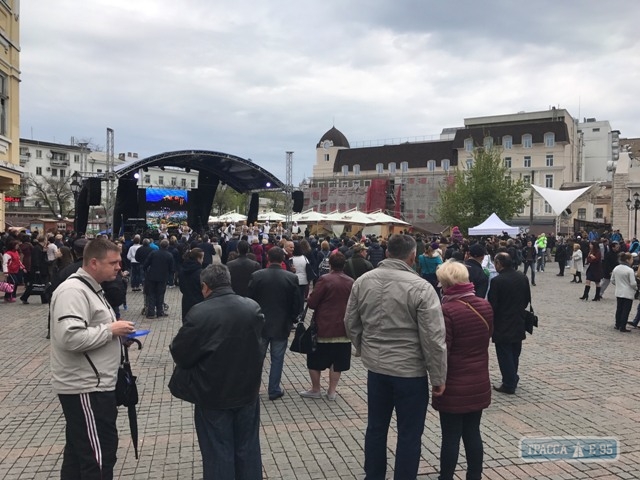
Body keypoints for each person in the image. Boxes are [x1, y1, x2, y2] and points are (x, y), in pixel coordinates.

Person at [344, 234, 447, 480]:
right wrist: (438, 376)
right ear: (412, 257)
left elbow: (350, 321)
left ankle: (374, 475)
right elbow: (433, 337)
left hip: (377, 369)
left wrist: (364, 347)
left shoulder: (363, 282)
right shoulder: (422, 287)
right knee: (409, 433)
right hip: (410, 372)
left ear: (387, 252)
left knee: (376, 427)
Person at [50, 237, 136, 480]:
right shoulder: (73, 291)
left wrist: (116, 337)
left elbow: (90, 331)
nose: (119, 266)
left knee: (80, 455)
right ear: (94, 263)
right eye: (114, 262)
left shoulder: (91, 288)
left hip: (94, 384)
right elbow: (70, 337)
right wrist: (111, 331)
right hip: (86, 386)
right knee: (98, 457)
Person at [169, 264, 265, 480]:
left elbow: (181, 354)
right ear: (228, 281)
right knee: (248, 449)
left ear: (205, 287)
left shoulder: (199, 312)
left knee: (218, 452)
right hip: (247, 391)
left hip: (212, 393)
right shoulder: (252, 307)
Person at [433, 260, 493, 480]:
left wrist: (437, 380)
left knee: (450, 436)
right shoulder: (484, 305)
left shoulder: (446, 310)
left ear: (446, 284)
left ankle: (446, 477)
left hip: (454, 381)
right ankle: (474, 475)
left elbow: (443, 350)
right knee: (472, 432)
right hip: (479, 378)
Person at [248, 247, 302, 400]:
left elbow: (249, 299)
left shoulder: (257, 276)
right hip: (281, 324)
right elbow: (297, 303)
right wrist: (292, 319)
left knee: (257, 359)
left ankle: (253, 389)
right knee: (277, 359)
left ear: (268, 258)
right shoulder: (291, 278)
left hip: (259, 324)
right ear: (282, 259)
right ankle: (273, 389)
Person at [299, 252, 354, 401]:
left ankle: (315, 389)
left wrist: (310, 296)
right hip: (343, 328)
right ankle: (331, 391)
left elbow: (312, 303)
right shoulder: (351, 282)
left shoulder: (324, 279)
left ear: (329, 264)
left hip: (323, 327)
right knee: (337, 362)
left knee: (314, 359)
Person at [488, 253, 531, 395]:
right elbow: (527, 299)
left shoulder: (497, 281)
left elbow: (492, 305)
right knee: (514, 352)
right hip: (519, 319)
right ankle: (513, 377)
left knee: (504, 353)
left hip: (502, 322)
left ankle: (509, 382)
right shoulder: (522, 277)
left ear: (499, 263)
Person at [143, 239, 174, 318]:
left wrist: (146, 270)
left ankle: (151, 313)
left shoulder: (153, 253)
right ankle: (160, 312)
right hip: (163, 277)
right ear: (167, 246)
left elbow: (146, 263)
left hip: (152, 276)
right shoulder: (169, 255)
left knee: (151, 294)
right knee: (160, 295)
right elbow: (172, 268)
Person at [611, 252, 635, 333]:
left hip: (619, 291)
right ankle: (623, 326)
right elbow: (633, 283)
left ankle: (617, 324)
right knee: (626, 310)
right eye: (632, 259)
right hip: (628, 292)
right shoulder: (630, 270)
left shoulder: (616, 268)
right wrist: (636, 288)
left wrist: (618, 284)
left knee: (619, 309)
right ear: (627, 260)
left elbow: (612, 280)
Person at [178, 248, 204, 320]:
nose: (203, 260)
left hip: (186, 300)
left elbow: (181, 286)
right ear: (198, 258)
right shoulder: (201, 273)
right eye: (202, 258)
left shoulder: (182, 270)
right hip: (199, 301)